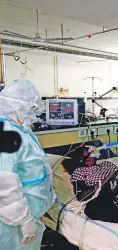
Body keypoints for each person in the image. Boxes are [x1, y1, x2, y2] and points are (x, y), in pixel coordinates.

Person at [0, 79, 56, 249]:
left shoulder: (19, 129)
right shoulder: (7, 134)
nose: (32, 114)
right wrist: (23, 220)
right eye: (29, 108)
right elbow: (4, 182)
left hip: (29, 213)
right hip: (13, 222)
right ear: (15, 106)